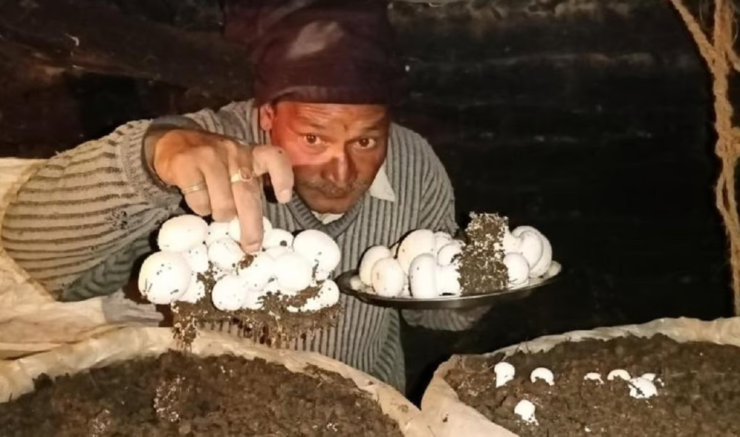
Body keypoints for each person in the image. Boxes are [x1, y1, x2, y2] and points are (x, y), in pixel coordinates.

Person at [1, 0, 486, 392]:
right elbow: (37, 254)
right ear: (267, 114)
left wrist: (480, 276)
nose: (341, 172)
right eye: (313, 138)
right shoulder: (204, 153)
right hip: (210, 408)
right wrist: (150, 159)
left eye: (366, 141)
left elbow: (441, 318)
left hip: (357, 406)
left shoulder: (413, 163)